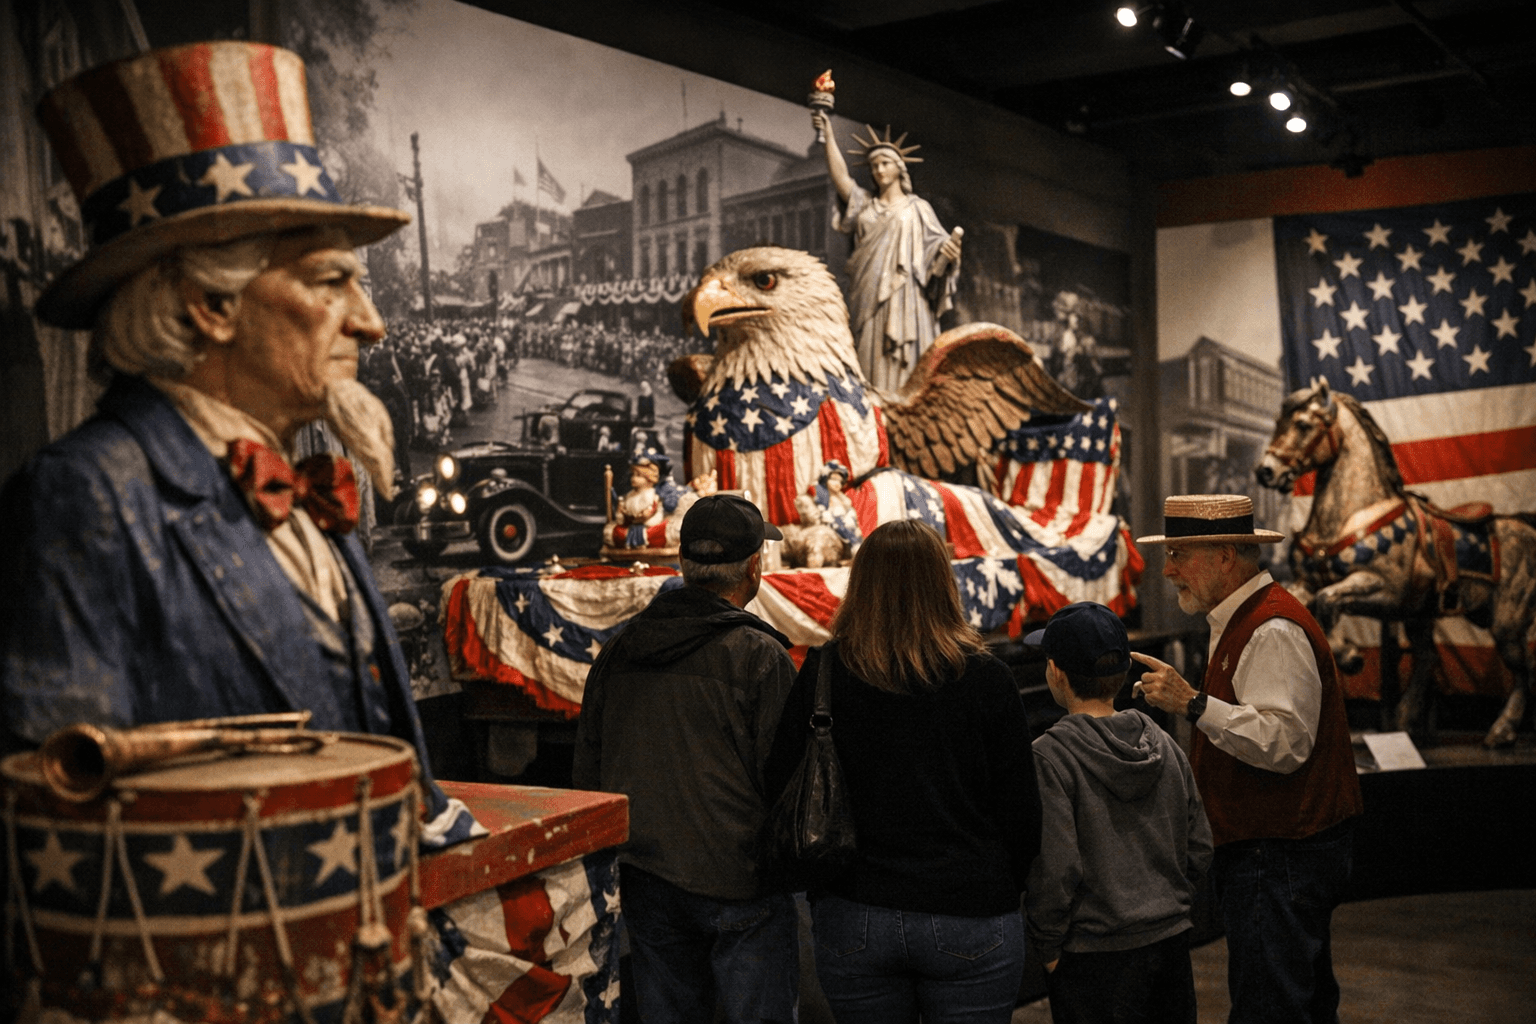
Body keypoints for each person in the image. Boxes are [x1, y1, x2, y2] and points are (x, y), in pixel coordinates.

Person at [0, 41, 477, 848]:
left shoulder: (304, 487)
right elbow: (60, 832)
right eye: (330, 282)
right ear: (207, 306)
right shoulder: (86, 496)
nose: (370, 322)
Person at [764, 519, 1041, 1024]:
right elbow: (1022, 809)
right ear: (943, 584)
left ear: (861, 584)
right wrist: (1005, 886)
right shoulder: (986, 678)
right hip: (971, 908)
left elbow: (783, 784)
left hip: (855, 911)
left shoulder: (825, 672)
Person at [1131, 494, 1364, 1024]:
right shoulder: (1251, 619)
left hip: (1278, 851)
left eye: (1179, 555)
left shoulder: (1271, 628)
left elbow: (1285, 743)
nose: (1167, 571)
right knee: (1296, 993)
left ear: (1225, 557)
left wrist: (1192, 703)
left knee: (1271, 1004)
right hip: (1280, 850)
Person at [574, 494, 799, 1023]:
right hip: (743, 886)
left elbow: (588, 771)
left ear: (683, 564)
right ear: (752, 567)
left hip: (648, 881)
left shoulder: (620, 649)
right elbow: (791, 780)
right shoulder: (761, 656)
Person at [1024, 601, 1212, 1024]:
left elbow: (1056, 869)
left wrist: (1047, 946)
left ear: (1055, 672)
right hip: (1170, 943)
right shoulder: (1164, 743)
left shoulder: (1050, 757)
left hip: (1092, 955)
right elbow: (1199, 845)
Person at [812, 111, 962, 392]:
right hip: (866, 296)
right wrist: (828, 136)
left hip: (907, 298)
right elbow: (840, 177)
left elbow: (937, 256)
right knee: (869, 361)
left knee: (905, 368)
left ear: (898, 168)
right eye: (873, 166)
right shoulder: (864, 205)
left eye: (884, 163)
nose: (879, 170)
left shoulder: (917, 208)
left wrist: (949, 254)